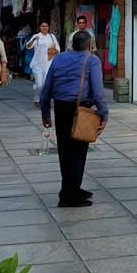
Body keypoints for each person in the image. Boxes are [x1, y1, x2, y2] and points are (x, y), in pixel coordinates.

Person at [40, 29, 108, 207]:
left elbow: (47, 87)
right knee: (78, 152)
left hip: (61, 109)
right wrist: (103, 113)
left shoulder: (60, 58)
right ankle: (69, 196)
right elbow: (98, 91)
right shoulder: (92, 60)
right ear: (90, 45)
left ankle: (71, 189)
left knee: (65, 151)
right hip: (80, 110)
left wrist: (45, 112)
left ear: (72, 44)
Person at [26, 20, 59, 103]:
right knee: (40, 84)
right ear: (40, 27)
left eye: (46, 26)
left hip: (49, 63)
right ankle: (37, 97)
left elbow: (58, 48)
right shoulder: (36, 36)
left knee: (46, 83)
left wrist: (53, 52)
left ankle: (44, 100)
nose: (44, 28)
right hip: (38, 64)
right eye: (43, 26)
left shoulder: (51, 37)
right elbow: (28, 46)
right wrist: (33, 40)